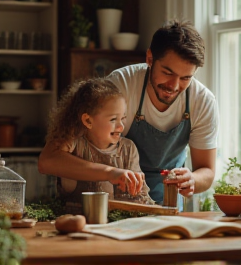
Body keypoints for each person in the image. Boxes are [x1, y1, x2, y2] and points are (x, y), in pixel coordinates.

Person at [39, 19, 219, 205]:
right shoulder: (120, 86)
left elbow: (206, 170)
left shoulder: (203, 101)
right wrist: (109, 172)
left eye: (186, 78)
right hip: (109, 200)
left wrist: (192, 180)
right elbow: (49, 159)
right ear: (150, 59)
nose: (174, 86)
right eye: (167, 72)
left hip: (167, 204)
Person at [43, 78, 154, 214]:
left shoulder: (128, 149)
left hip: (117, 228)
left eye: (123, 118)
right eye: (113, 119)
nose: (121, 126)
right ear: (88, 120)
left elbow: (141, 198)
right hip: (75, 225)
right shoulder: (75, 143)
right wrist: (110, 173)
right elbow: (48, 161)